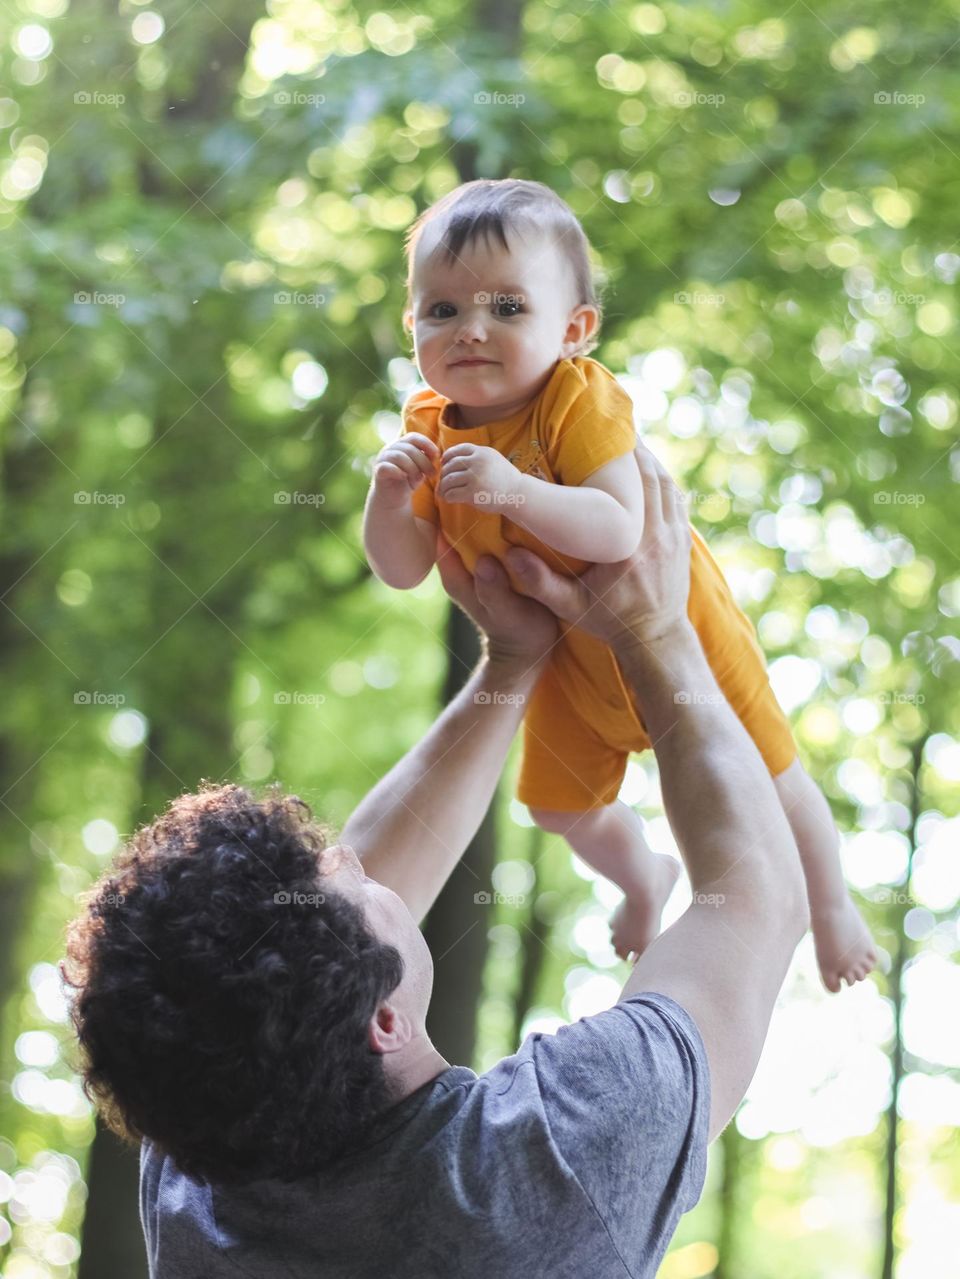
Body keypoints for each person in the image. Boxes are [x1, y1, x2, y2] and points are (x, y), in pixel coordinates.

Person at [64, 449, 809, 1278]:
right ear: (384, 1023)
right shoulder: (551, 1162)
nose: (350, 854)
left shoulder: (200, 1145)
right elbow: (756, 897)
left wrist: (512, 662)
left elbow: (311, 970)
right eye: (340, 878)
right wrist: (660, 633)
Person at [362, 176, 876, 992]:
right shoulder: (425, 425)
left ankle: (832, 902)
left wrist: (510, 490)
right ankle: (642, 876)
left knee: (772, 772)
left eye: (507, 307)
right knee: (558, 808)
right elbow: (404, 566)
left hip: (680, 625)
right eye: (442, 310)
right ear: (412, 323)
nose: (471, 330)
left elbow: (617, 526)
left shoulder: (578, 400)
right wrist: (391, 501)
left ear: (574, 329)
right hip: (568, 659)